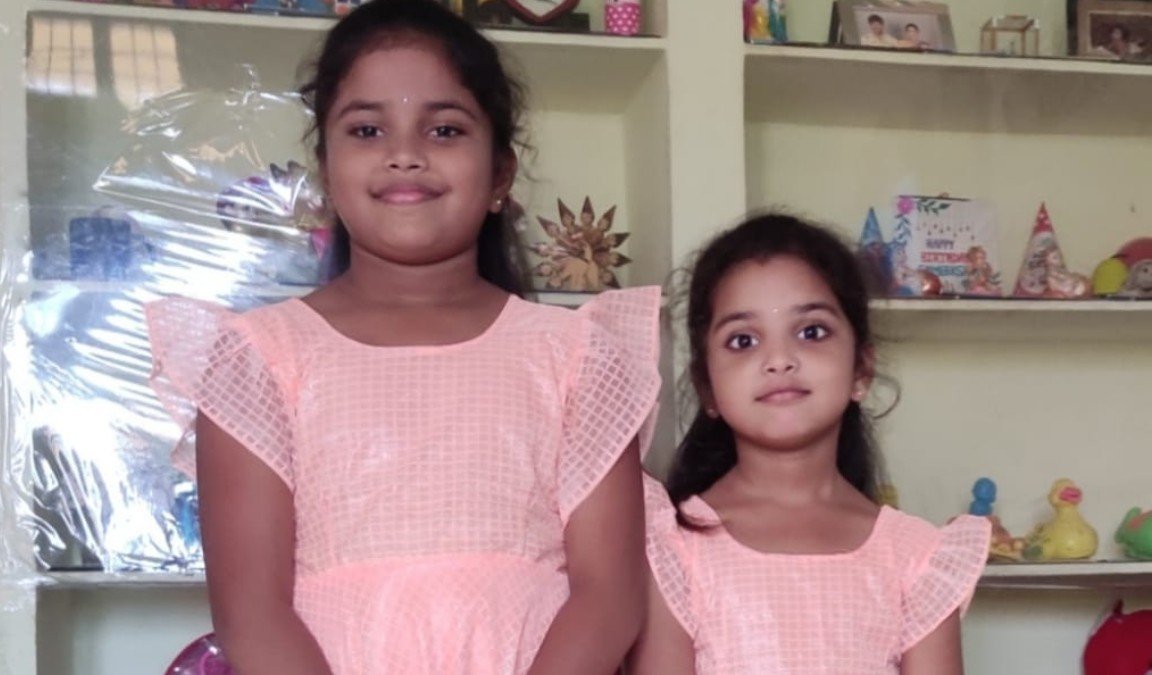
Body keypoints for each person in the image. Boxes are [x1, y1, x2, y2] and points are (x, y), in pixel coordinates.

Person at [144, 1, 661, 673]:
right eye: (367, 129)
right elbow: (252, 615)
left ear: (500, 175)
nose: (405, 155)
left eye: (444, 129)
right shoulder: (259, 358)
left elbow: (609, 597)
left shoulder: (578, 356)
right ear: (326, 172)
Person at [628, 214, 990, 674]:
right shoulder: (673, 547)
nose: (779, 359)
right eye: (743, 340)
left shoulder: (918, 558)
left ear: (861, 370)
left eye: (811, 332)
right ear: (708, 388)